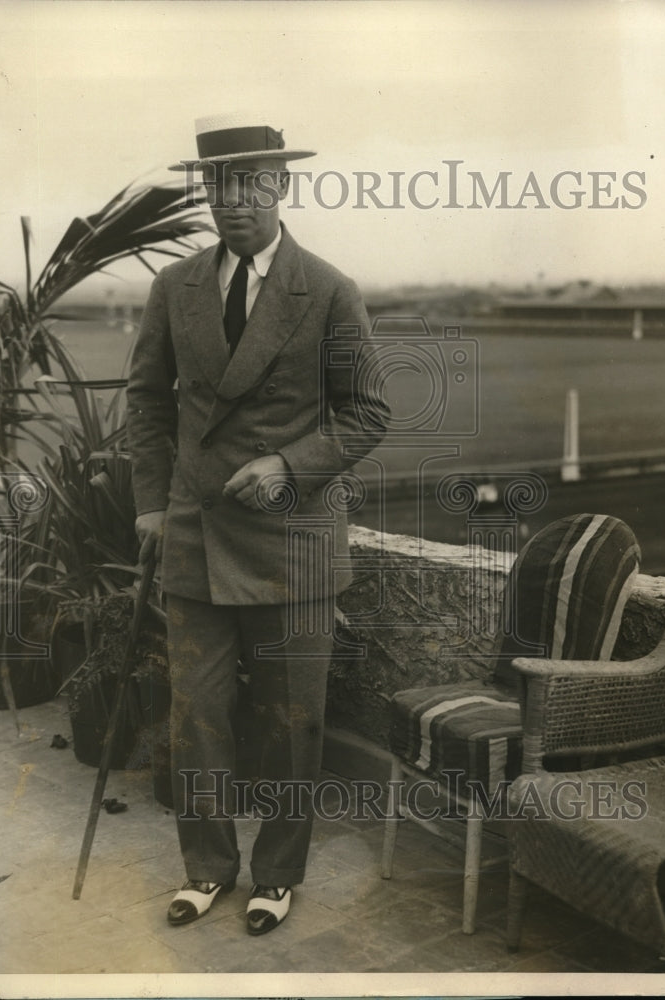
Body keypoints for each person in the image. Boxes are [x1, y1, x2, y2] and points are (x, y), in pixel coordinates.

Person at [126, 113, 388, 936]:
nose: (233, 200)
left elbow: (368, 411)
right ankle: (206, 867)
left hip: (292, 538)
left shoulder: (329, 289)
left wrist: (286, 465)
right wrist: (150, 502)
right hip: (196, 535)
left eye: (250, 182)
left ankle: (277, 875)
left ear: (280, 185)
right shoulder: (175, 288)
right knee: (196, 716)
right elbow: (146, 401)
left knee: (291, 722)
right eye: (218, 184)